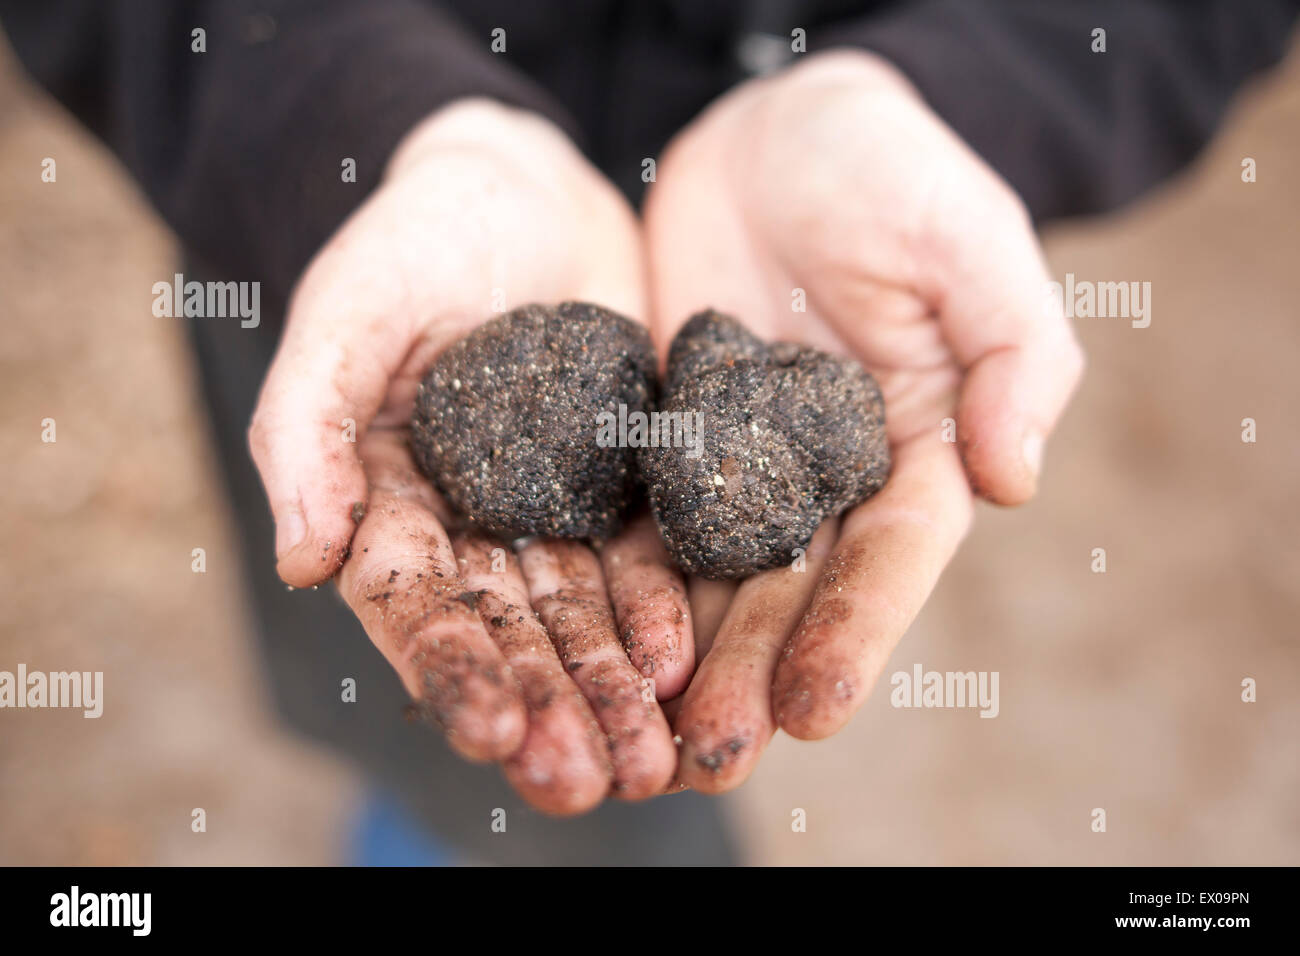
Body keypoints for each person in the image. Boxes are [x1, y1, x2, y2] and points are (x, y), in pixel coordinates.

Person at [4, 0, 1295, 864]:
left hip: (821, 173)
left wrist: (962, 91)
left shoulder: (768, 393)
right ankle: (432, 816)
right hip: (361, 240)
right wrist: (360, 118)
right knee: (442, 680)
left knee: (635, 752)